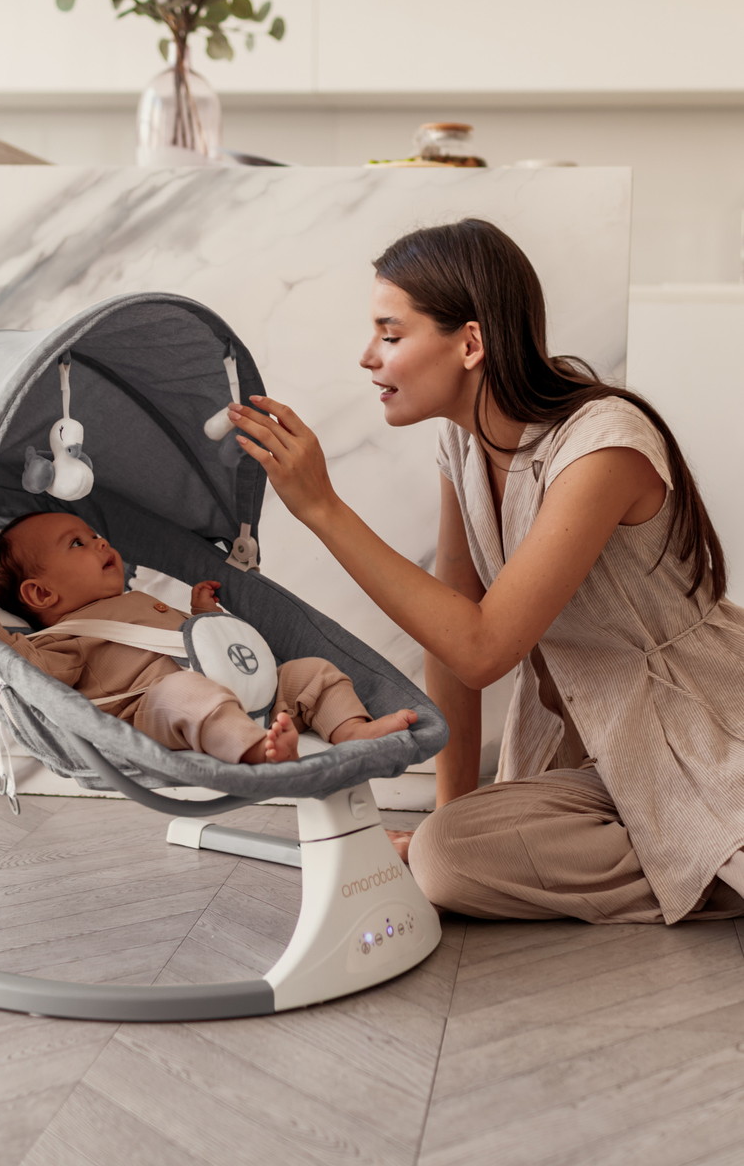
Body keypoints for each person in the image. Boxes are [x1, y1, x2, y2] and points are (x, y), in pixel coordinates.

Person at [227, 216, 744, 926]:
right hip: (593, 757)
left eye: (390, 334)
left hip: (702, 736)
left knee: (444, 860)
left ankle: (713, 850)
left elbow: (482, 647)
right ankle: (693, 852)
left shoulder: (604, 446)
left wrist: (322, 507)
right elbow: (449, 636)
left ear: (470, 343)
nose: (367, 357)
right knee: (446, 853)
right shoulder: (462, 445)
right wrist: (450, 815)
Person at [0, 511, 416, 766]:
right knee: (182, 691)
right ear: (41, 594)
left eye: (95, 535)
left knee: (311, 672)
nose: (101, 543)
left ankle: (350, 731)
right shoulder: (63, 639)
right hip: (157, 714)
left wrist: (203, 615)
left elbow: (198, 645)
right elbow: (33, 676)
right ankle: (258, 752)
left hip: (240, 692)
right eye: (77, 544)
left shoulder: (137, 601)